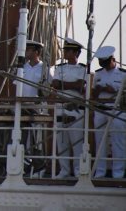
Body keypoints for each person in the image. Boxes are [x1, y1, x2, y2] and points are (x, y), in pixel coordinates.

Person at [51, 38, 88, 178]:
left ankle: (78, 170)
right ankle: (64, 170)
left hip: (76, 109)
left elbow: (81, 87)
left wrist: (63, 84)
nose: (65, 52)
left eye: (68, 50)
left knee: (77, 141)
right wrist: (73, 85)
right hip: (60, 107)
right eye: (65, 50)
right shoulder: (59, 68)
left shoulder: (83, 69)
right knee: (62, 142)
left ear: (76, 53)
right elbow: (55, 84)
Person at [92, 45, 125, 179]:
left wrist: (113, 89)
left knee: (118, 141)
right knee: (100, 142)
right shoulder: (98, 74)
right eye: (101, 62)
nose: (103, 65)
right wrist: (100, 89)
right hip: (101, 110)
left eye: (105, 62)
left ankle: (118, 173)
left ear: (112, 59)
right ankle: (100, 172)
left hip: (117, 111)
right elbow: (93, 94)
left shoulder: (123, 74)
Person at [19, 40, 51, 174]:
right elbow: (16, 86)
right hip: (23, 107)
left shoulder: (45, 69)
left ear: (36, 52)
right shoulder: (22, 68)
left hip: (38, 108)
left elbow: (49, 89)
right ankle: (25, 164)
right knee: (23, 136)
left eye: (29, 49)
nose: (26, 52)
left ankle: (39, 164)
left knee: (38, 138)